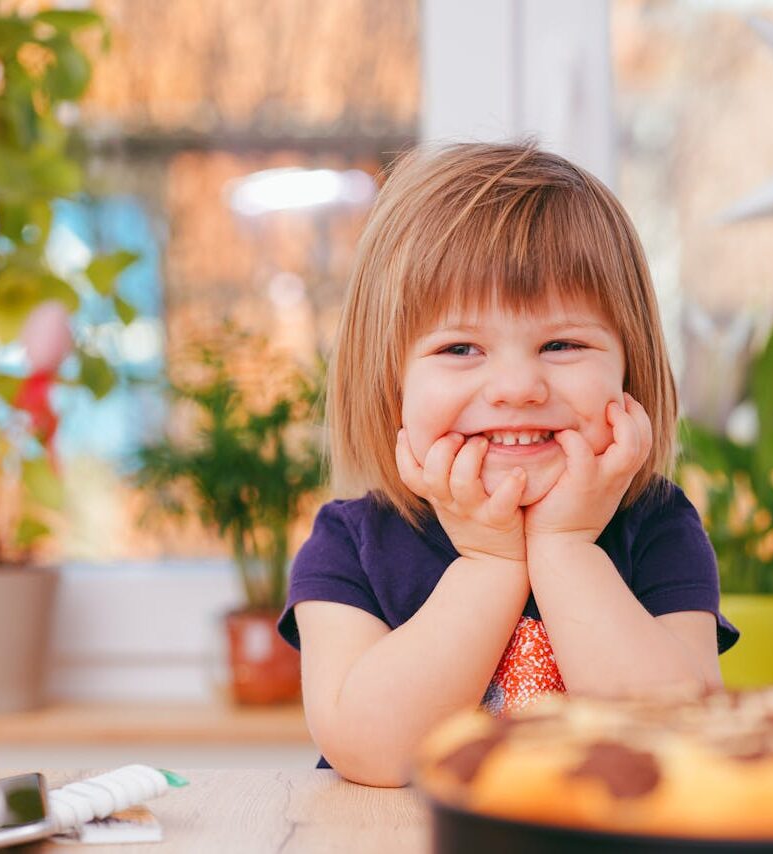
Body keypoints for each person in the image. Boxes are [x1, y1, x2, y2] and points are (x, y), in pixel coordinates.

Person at [277, 141, 738, 788]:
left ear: (630, 370)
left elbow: (677, 744)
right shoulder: (349, 544)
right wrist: (490, 563)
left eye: (563, 343)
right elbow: (371, 751)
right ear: (392, 385)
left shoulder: (658, 527)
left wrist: (567, 548)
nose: (517, 386)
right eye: (461, 347)